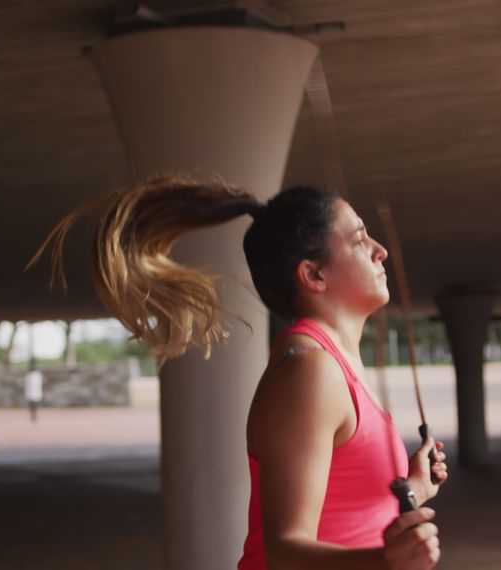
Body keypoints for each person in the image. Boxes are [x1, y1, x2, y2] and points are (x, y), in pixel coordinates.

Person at [31, 174, 448, 569]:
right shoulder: (311, 371)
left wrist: (414, 488)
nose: (381, 250)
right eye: (360, 239)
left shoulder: (333, 362)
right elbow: (284, 550)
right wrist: (388, 562)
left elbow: (342, 507)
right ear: (313, 274)